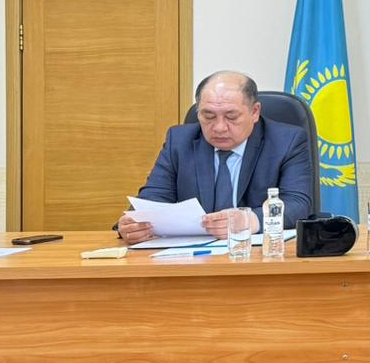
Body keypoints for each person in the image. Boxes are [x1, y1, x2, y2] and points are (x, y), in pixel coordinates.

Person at [115, 71, 314, 244]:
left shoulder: (286, 141)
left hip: (258, 255)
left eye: (231, 117)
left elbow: (297, 204)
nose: (219, 127)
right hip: (193, 259)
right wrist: (133, 224)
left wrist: (249, 220)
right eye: (208, 116)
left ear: (254, 112)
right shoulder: (180, 141)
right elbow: (153, 198)